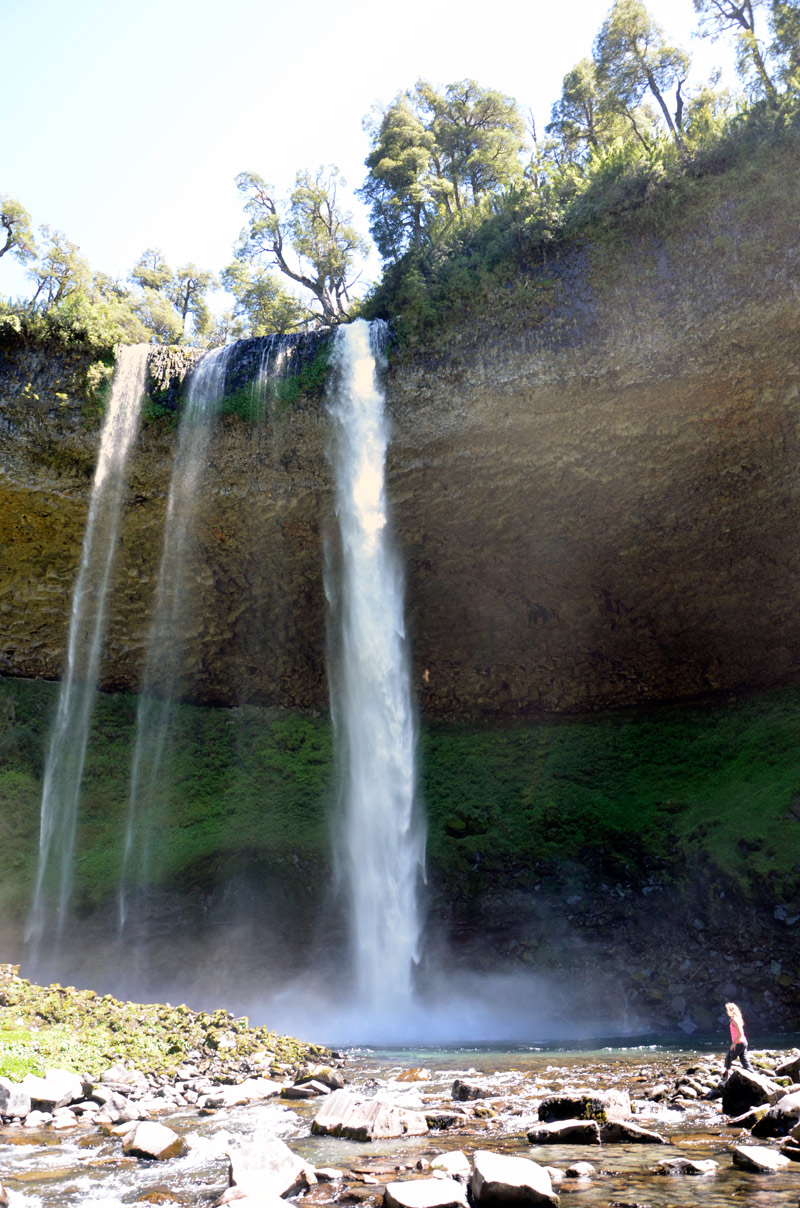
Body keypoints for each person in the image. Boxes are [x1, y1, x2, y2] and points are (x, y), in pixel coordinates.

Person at [724, 1002, 753, 1073]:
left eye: (727, 1010)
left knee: (728, 1058)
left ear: (730, 1010)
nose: (726, 1012)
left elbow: (740, 1033)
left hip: (739, 1043)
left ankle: (726, 1074)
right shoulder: (736, 1018)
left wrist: (734, 1044)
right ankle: (752, 1073)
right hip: (743, 1042)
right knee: (744, 1061)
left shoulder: (735, 1020)